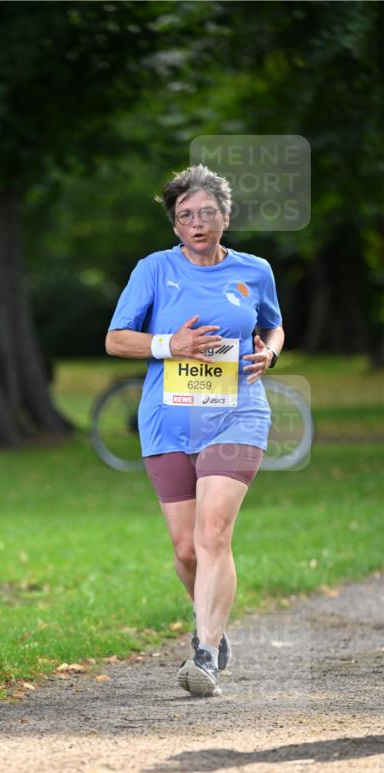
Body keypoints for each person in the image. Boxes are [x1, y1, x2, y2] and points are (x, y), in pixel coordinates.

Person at [105, 164, 284, 697]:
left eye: (207, 213)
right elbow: (116, 339)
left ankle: (204, 654)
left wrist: (269, 352)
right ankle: (211, 622)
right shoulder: (155, 270)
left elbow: (272, 323)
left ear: (225, 216)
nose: (198, 223)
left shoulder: (254, 270)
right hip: (167, 420)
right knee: (186, 550)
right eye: (186, 216)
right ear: (175, 225)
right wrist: (169, 345)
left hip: (236, 412)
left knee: (213, 534)